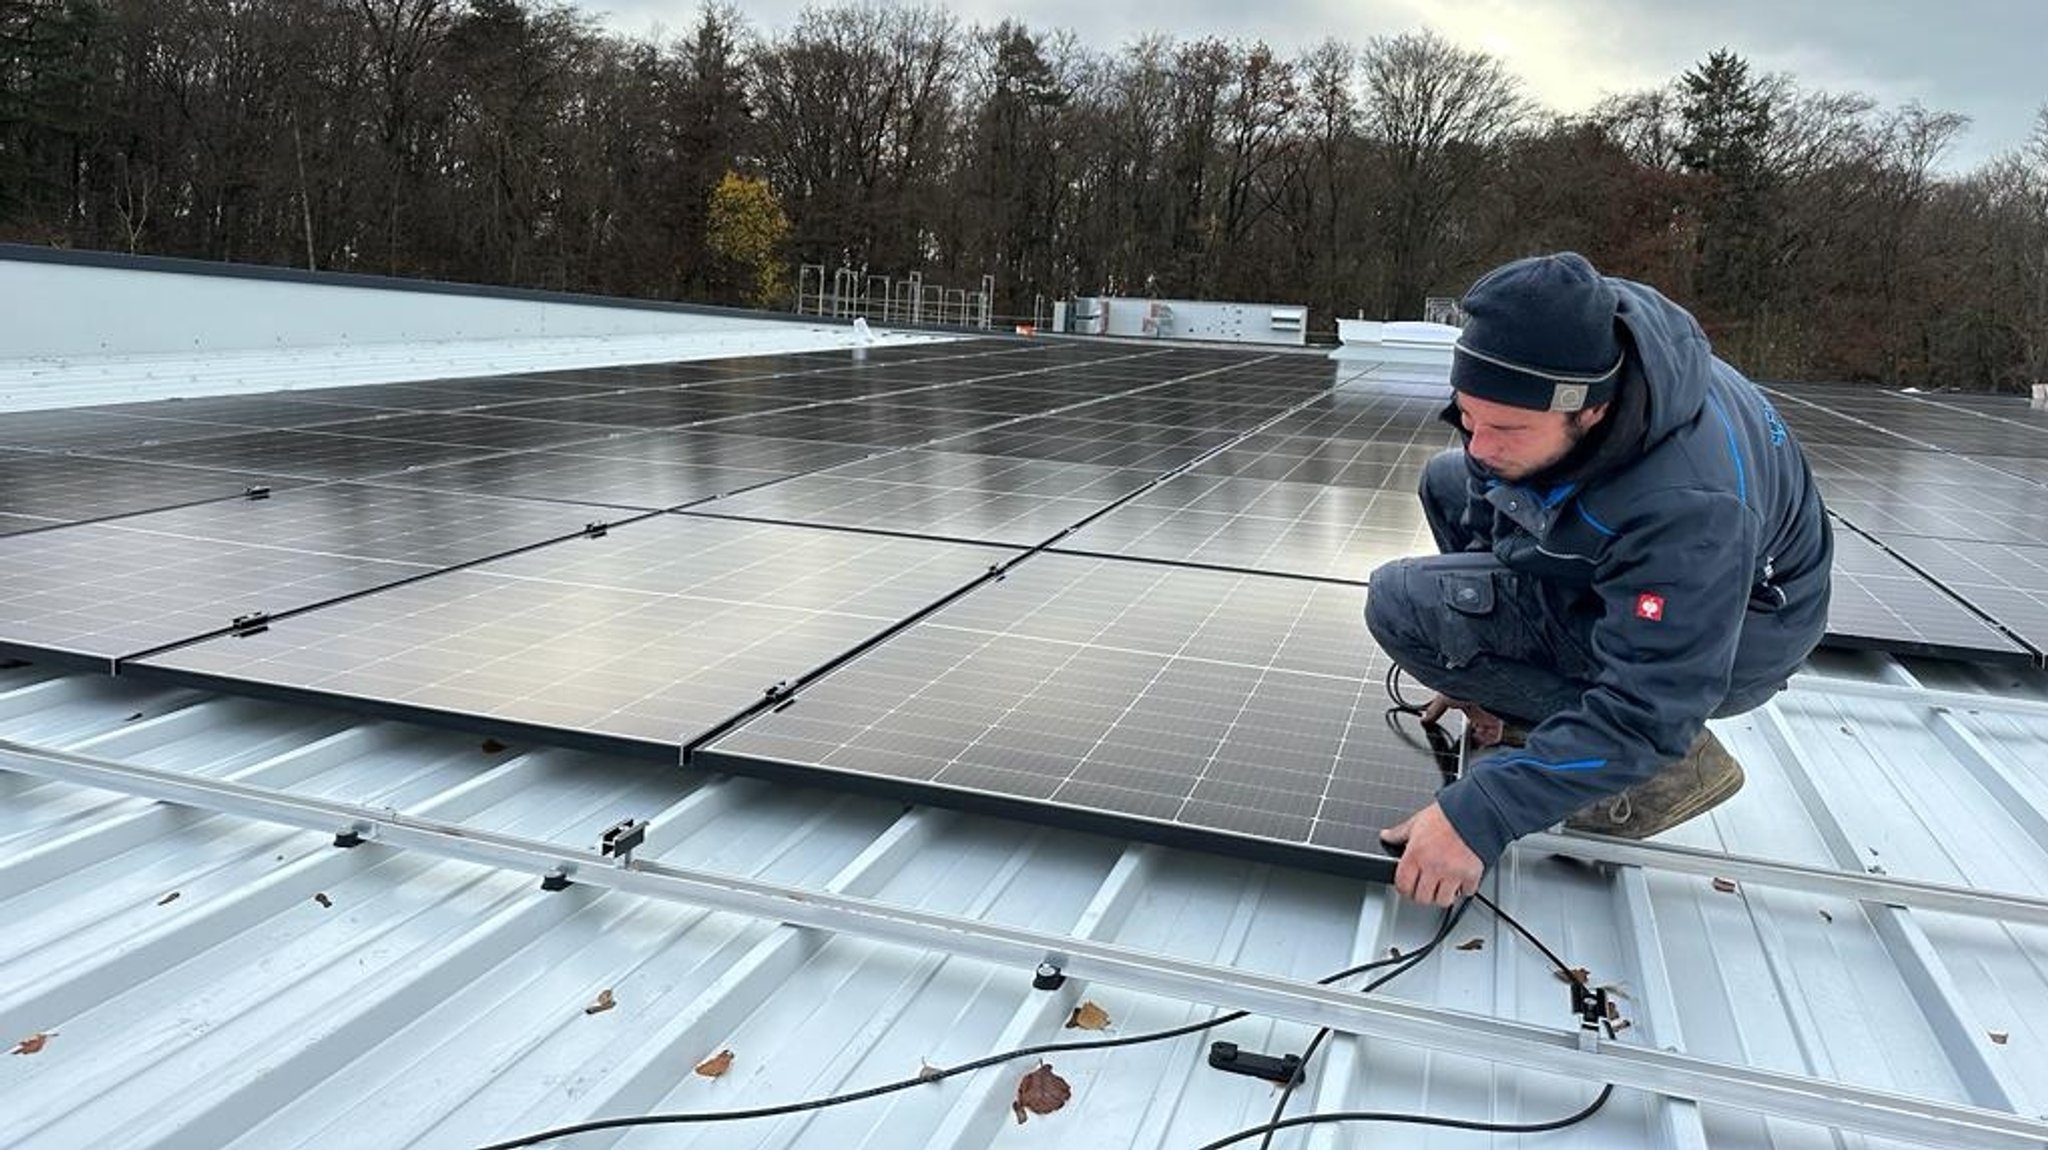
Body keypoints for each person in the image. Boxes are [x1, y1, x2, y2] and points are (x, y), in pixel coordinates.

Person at [1367, 252, 1832, 906]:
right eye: (1468, 416)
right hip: (1650, 563)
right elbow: (1484, 481)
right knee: (1445, 482)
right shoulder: (1577, 344)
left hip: (1738, 634)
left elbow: (1651, 707)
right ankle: (1543, 703)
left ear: (1589, 412)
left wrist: (1485, 812)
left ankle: (1670, 768)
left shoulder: (1688, 507)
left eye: (1506, 427)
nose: (1480, 443)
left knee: (1400, 604)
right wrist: (1483, 660)